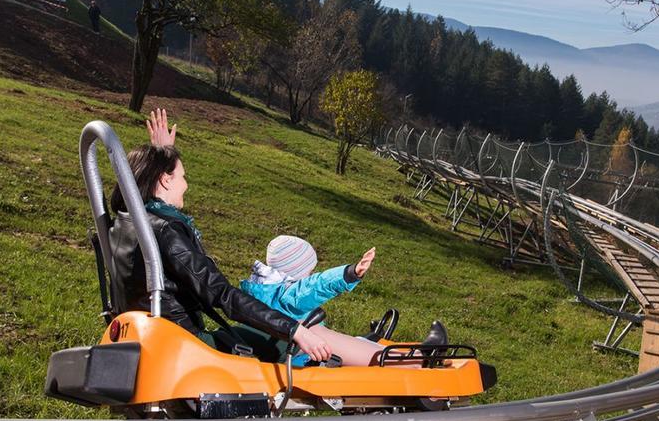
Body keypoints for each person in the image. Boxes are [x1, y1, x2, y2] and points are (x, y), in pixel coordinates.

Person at [109, 109, 446, 367]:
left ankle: (380, 348)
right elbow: (222, 296)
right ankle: (416, 361)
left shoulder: (125, 225)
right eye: (181, 177)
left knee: (302, 329)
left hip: (158, 341)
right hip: (192, 351)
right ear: (164, 182)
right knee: (311, 331)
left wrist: (160, 156)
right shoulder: (167, 233)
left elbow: (149, 200)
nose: (186, 184)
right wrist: (294, 331)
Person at [240, 235, 374, 321]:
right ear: (295, 272)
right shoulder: (290, 296)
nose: (312, 275)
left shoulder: (266, 289)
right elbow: (318, 285)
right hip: (303, 353)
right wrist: (349, 273)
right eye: (310, 272)